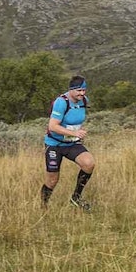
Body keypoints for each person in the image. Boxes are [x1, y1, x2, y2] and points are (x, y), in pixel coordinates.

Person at [40, 76, 97, 211]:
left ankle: (75, 198)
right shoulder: (61, 102)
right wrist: (74, 133)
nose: (82, 93)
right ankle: (43, 206)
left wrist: (77, 131)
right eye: (78, 90)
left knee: (89, 164)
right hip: (55, 144)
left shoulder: (84, 101)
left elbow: (76, 118)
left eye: (84, 90)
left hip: (72, 143)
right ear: (70, 90)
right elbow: (53, 126)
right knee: (52, 180)